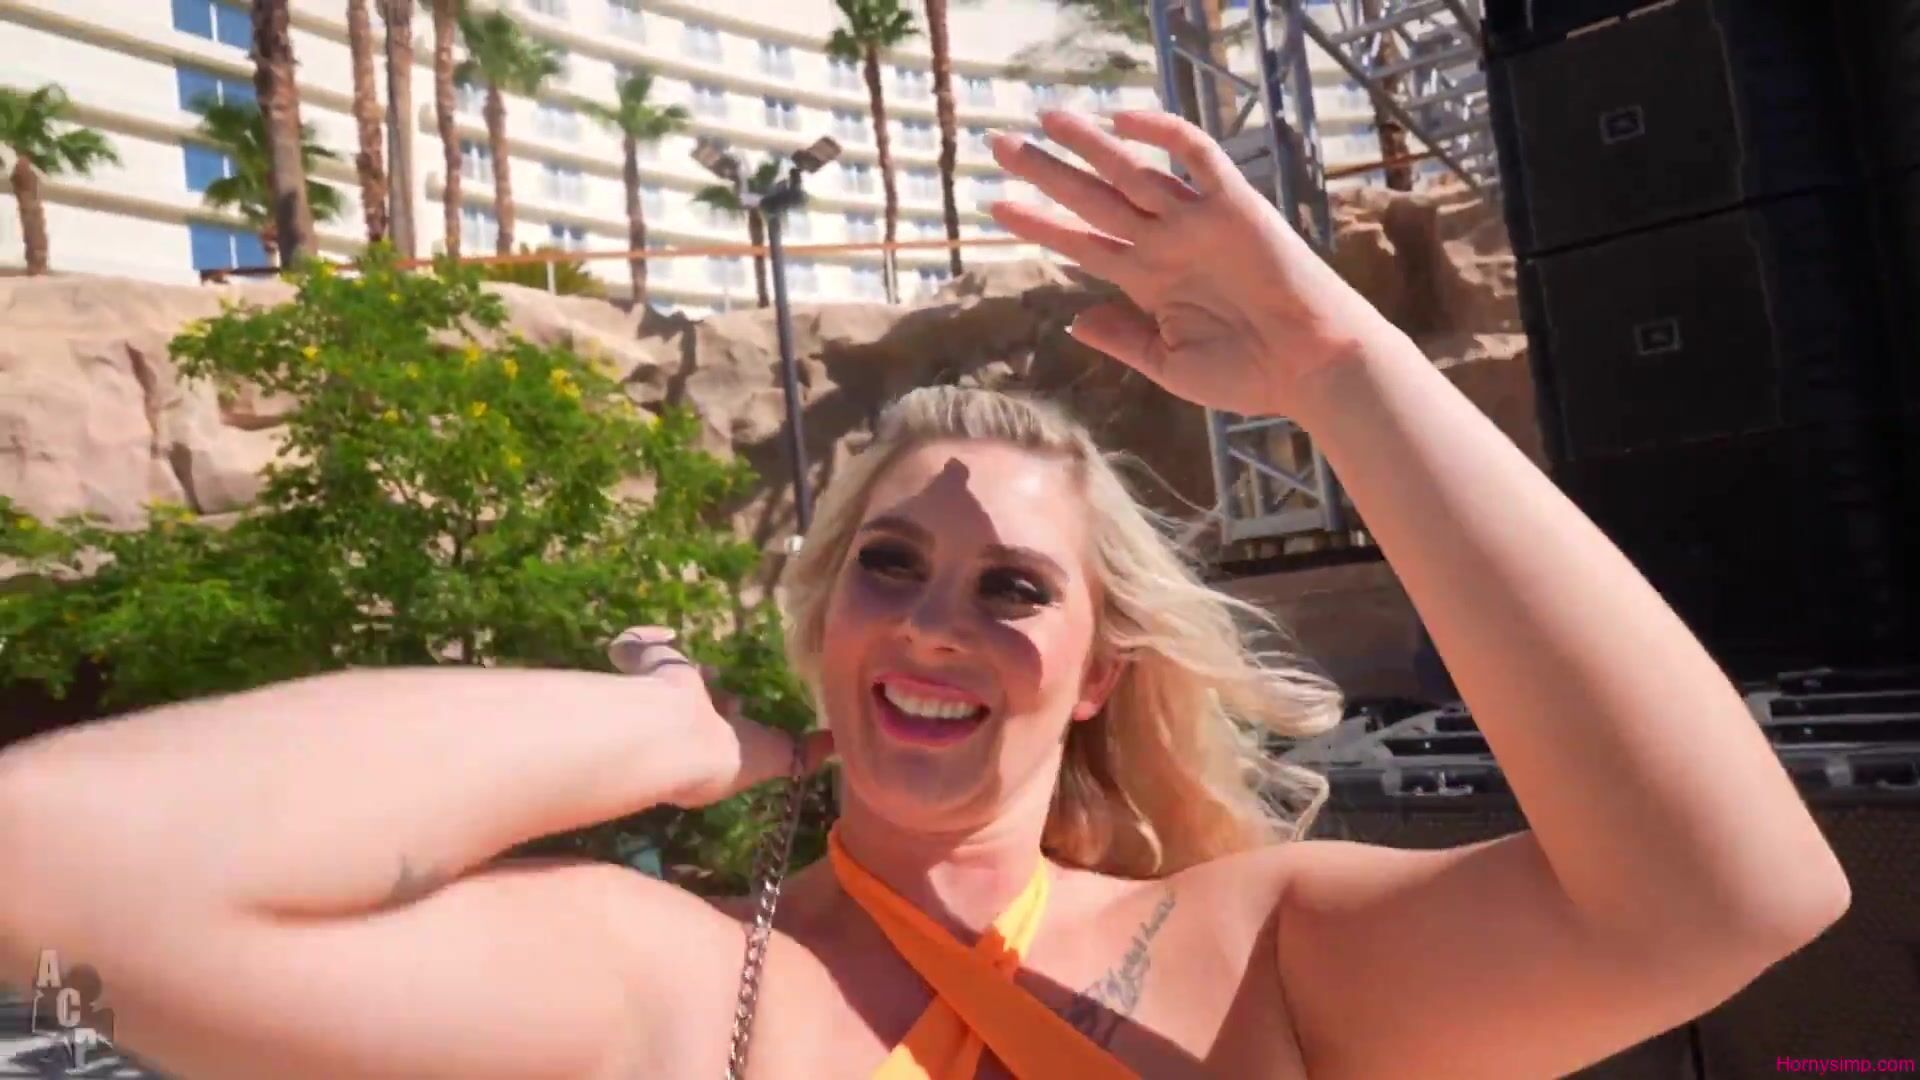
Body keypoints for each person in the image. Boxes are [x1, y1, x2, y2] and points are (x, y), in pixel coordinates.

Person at [0, 108, 1849, 1080]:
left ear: (1101, 671)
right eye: (885, 567)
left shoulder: (1257, 956)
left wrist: (1341, 371)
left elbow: (1731, 898)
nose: (937, 623)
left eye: (1014, 588)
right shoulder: (672, 984)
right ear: (823, 624)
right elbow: (56, 872)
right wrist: (650, 733)